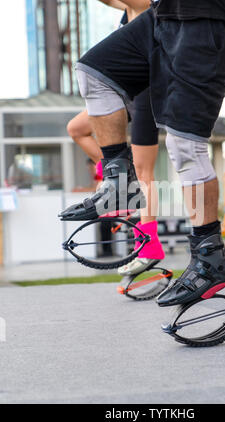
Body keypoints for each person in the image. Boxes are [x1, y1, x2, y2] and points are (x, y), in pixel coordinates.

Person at [60, 0, 225, 306]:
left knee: (183, 146)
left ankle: (210, 257)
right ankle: (119, 182)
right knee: (94, 72)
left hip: (210, 18)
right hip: (164, 16)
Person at [66, 0, 164, 274]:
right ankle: (121, 180)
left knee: (146, 170)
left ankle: (150, 245)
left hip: (145, 89)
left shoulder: (147, 5)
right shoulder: (127, 10)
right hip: (125, 89)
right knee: (77, 129)